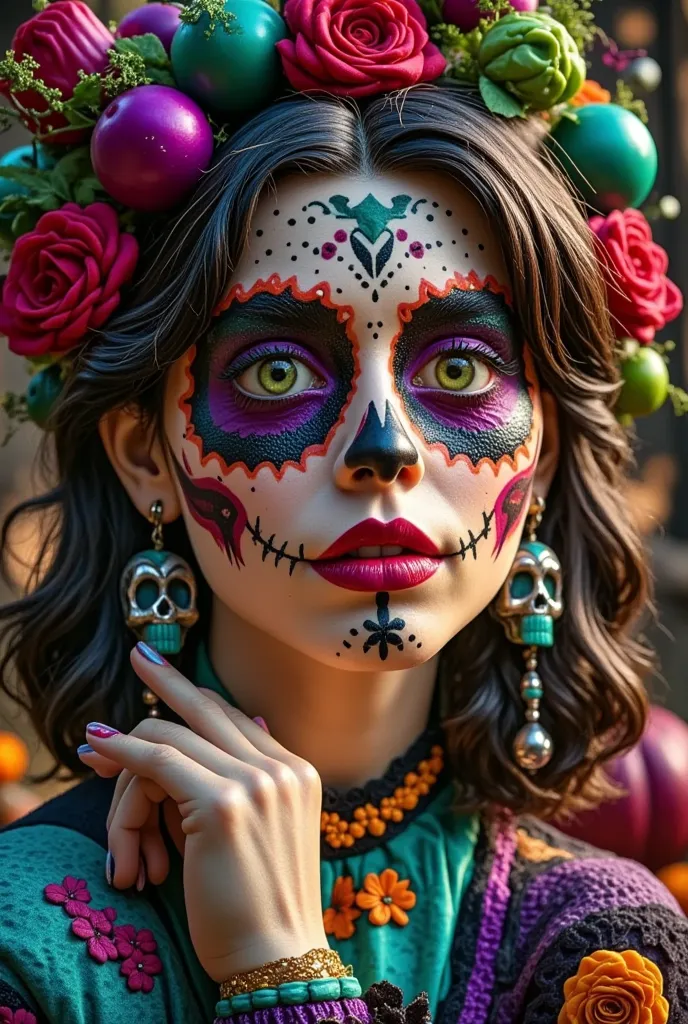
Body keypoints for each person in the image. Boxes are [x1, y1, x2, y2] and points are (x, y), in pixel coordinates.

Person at [0, 1, 686, 1021]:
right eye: (277, 371)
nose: (383, 449)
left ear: (538, 452)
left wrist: (281, 968)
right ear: (148, 450)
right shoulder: (22, 947)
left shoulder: (600, 955)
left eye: (457, 366)